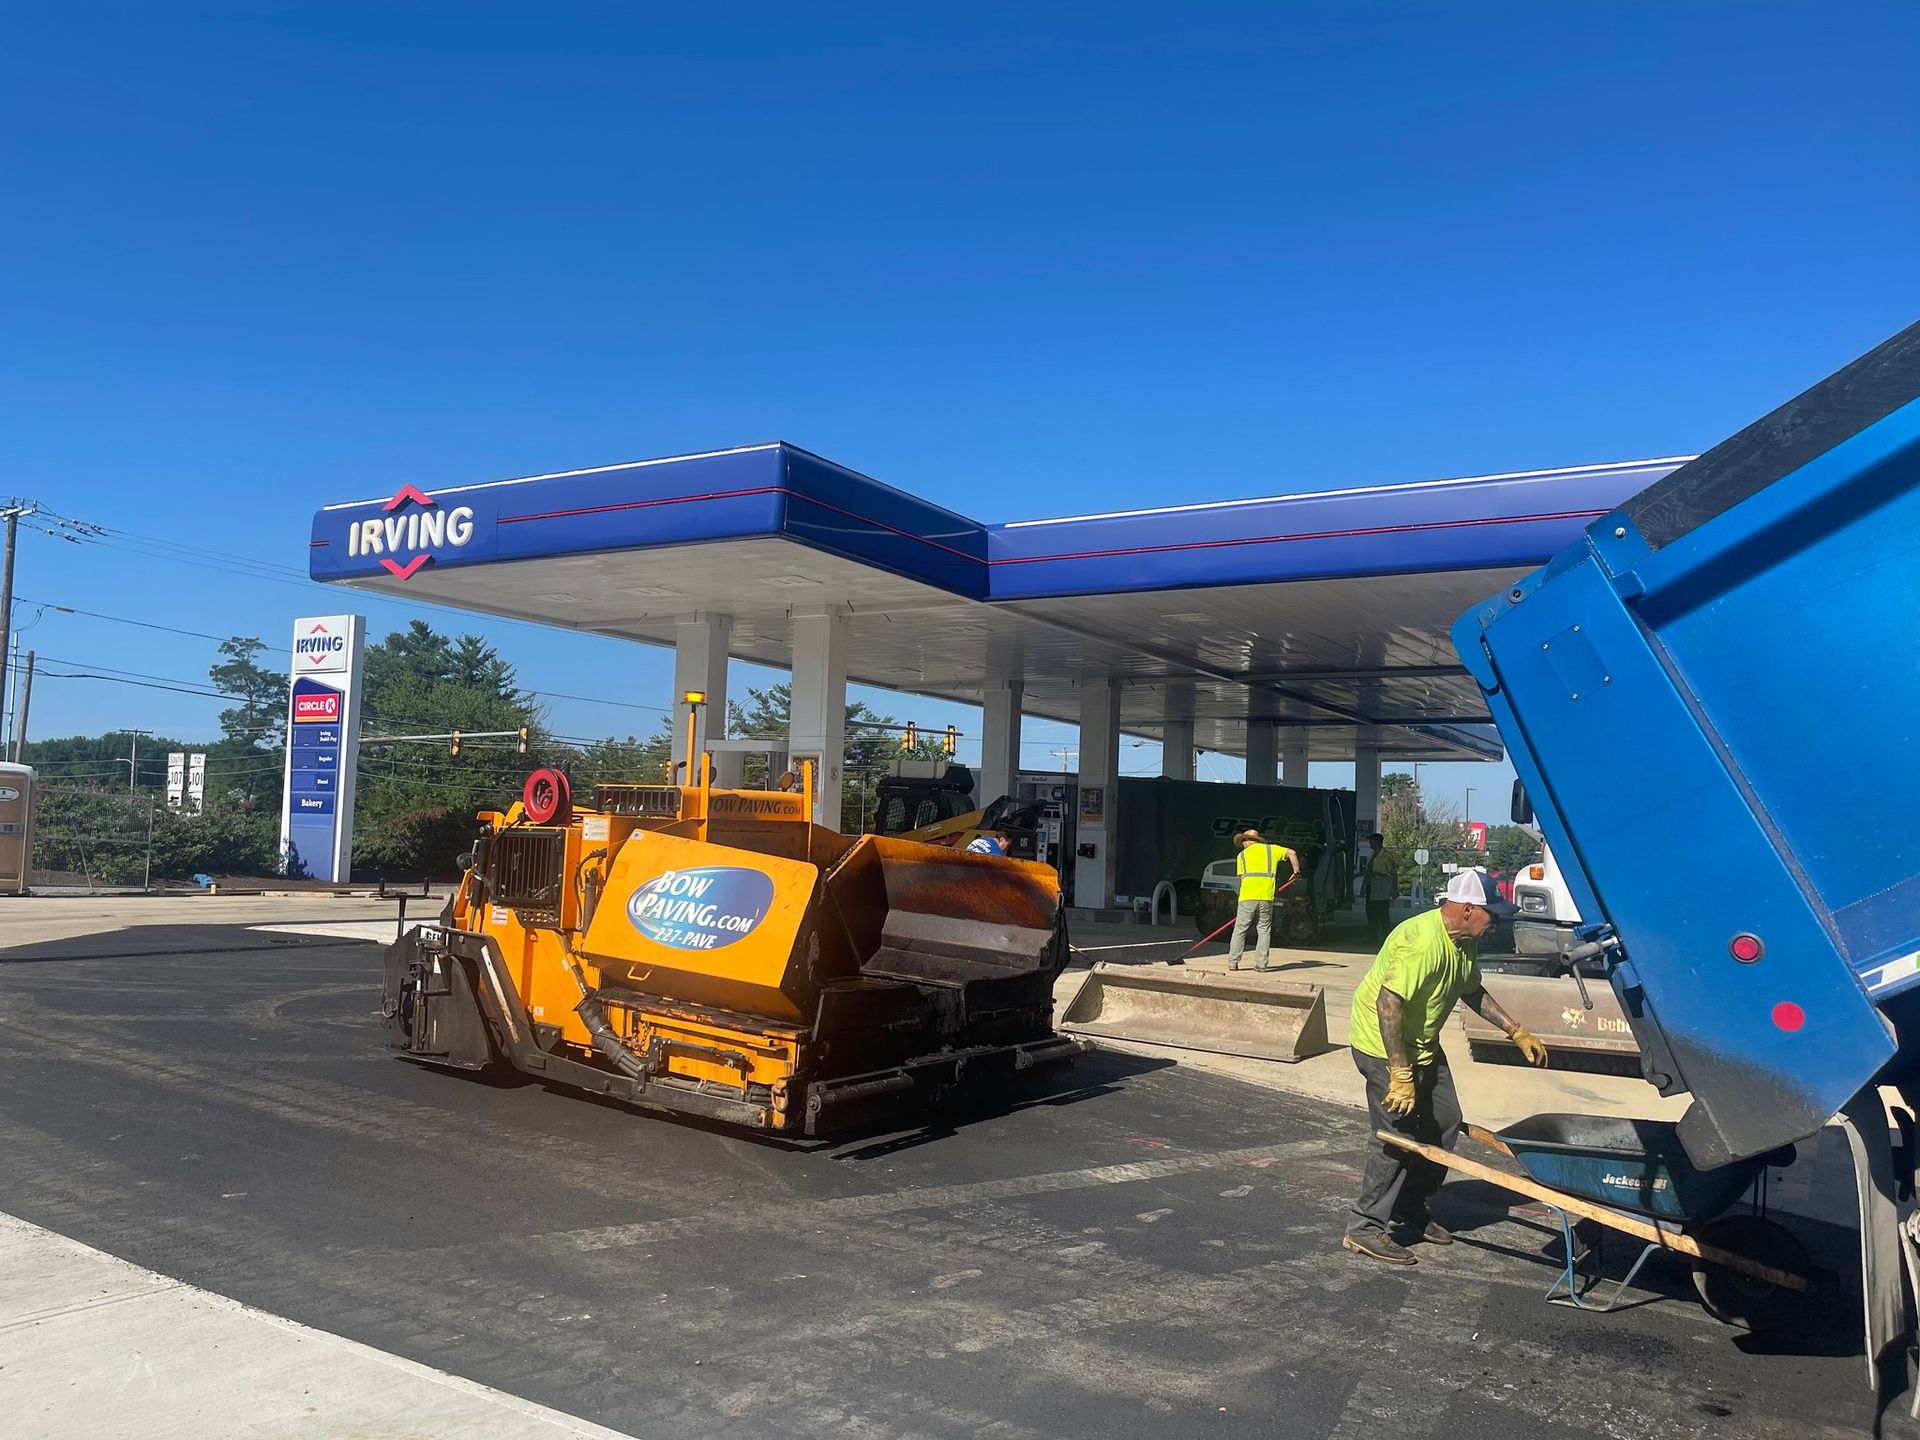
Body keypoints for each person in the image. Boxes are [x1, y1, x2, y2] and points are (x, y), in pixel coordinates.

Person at [1343, 869, 1549, 1266]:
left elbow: (1470, 988)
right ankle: (1365, 1227)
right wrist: (1400, 1074)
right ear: (1469, 909)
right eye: (1494, 915)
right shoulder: (1422, 942)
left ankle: (1409, 1203)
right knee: (1397, 1137)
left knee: (1444, 1120)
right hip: (1383, 1046)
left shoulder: (1463, 942)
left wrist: (1515, 1030)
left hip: (1421, 1045)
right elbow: (1387, 1005)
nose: (1498, 923)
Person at [1224, 829, 1302, 972]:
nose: (1243, 844)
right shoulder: (1271, 850)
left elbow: (1241, 879)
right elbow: (1292, 853)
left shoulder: (1241, 856)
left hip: (1247, 896)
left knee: (1240, 929)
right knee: (1264, 929)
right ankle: (1261, 964)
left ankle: (1233, 962)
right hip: (1266, 896)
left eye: (1244, 840)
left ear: (1248, 841)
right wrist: (1296, 872)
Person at [1364, 832, 1398, 945]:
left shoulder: (1387, 855)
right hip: (1372, 888)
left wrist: (1394, 889)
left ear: (1377, 842)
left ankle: (1387, 938)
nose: (1370, 843)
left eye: (1371, 841)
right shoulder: (1373, 855)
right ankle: (1372, 938)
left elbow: (1393, 873)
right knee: (1370, 913)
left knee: (1383, 914)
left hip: (1381, 888)